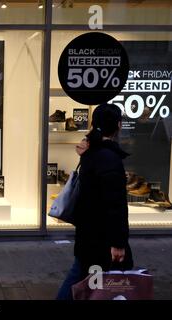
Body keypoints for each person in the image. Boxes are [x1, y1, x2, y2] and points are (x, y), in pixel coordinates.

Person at [56, 103, 133, 300]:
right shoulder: (109, 159)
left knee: (82, 274)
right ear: (119, 125)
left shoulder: (91, 154)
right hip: (101, 237)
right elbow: (115, 206)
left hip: (88, 233)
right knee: (94, 280)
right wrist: (118, 243)